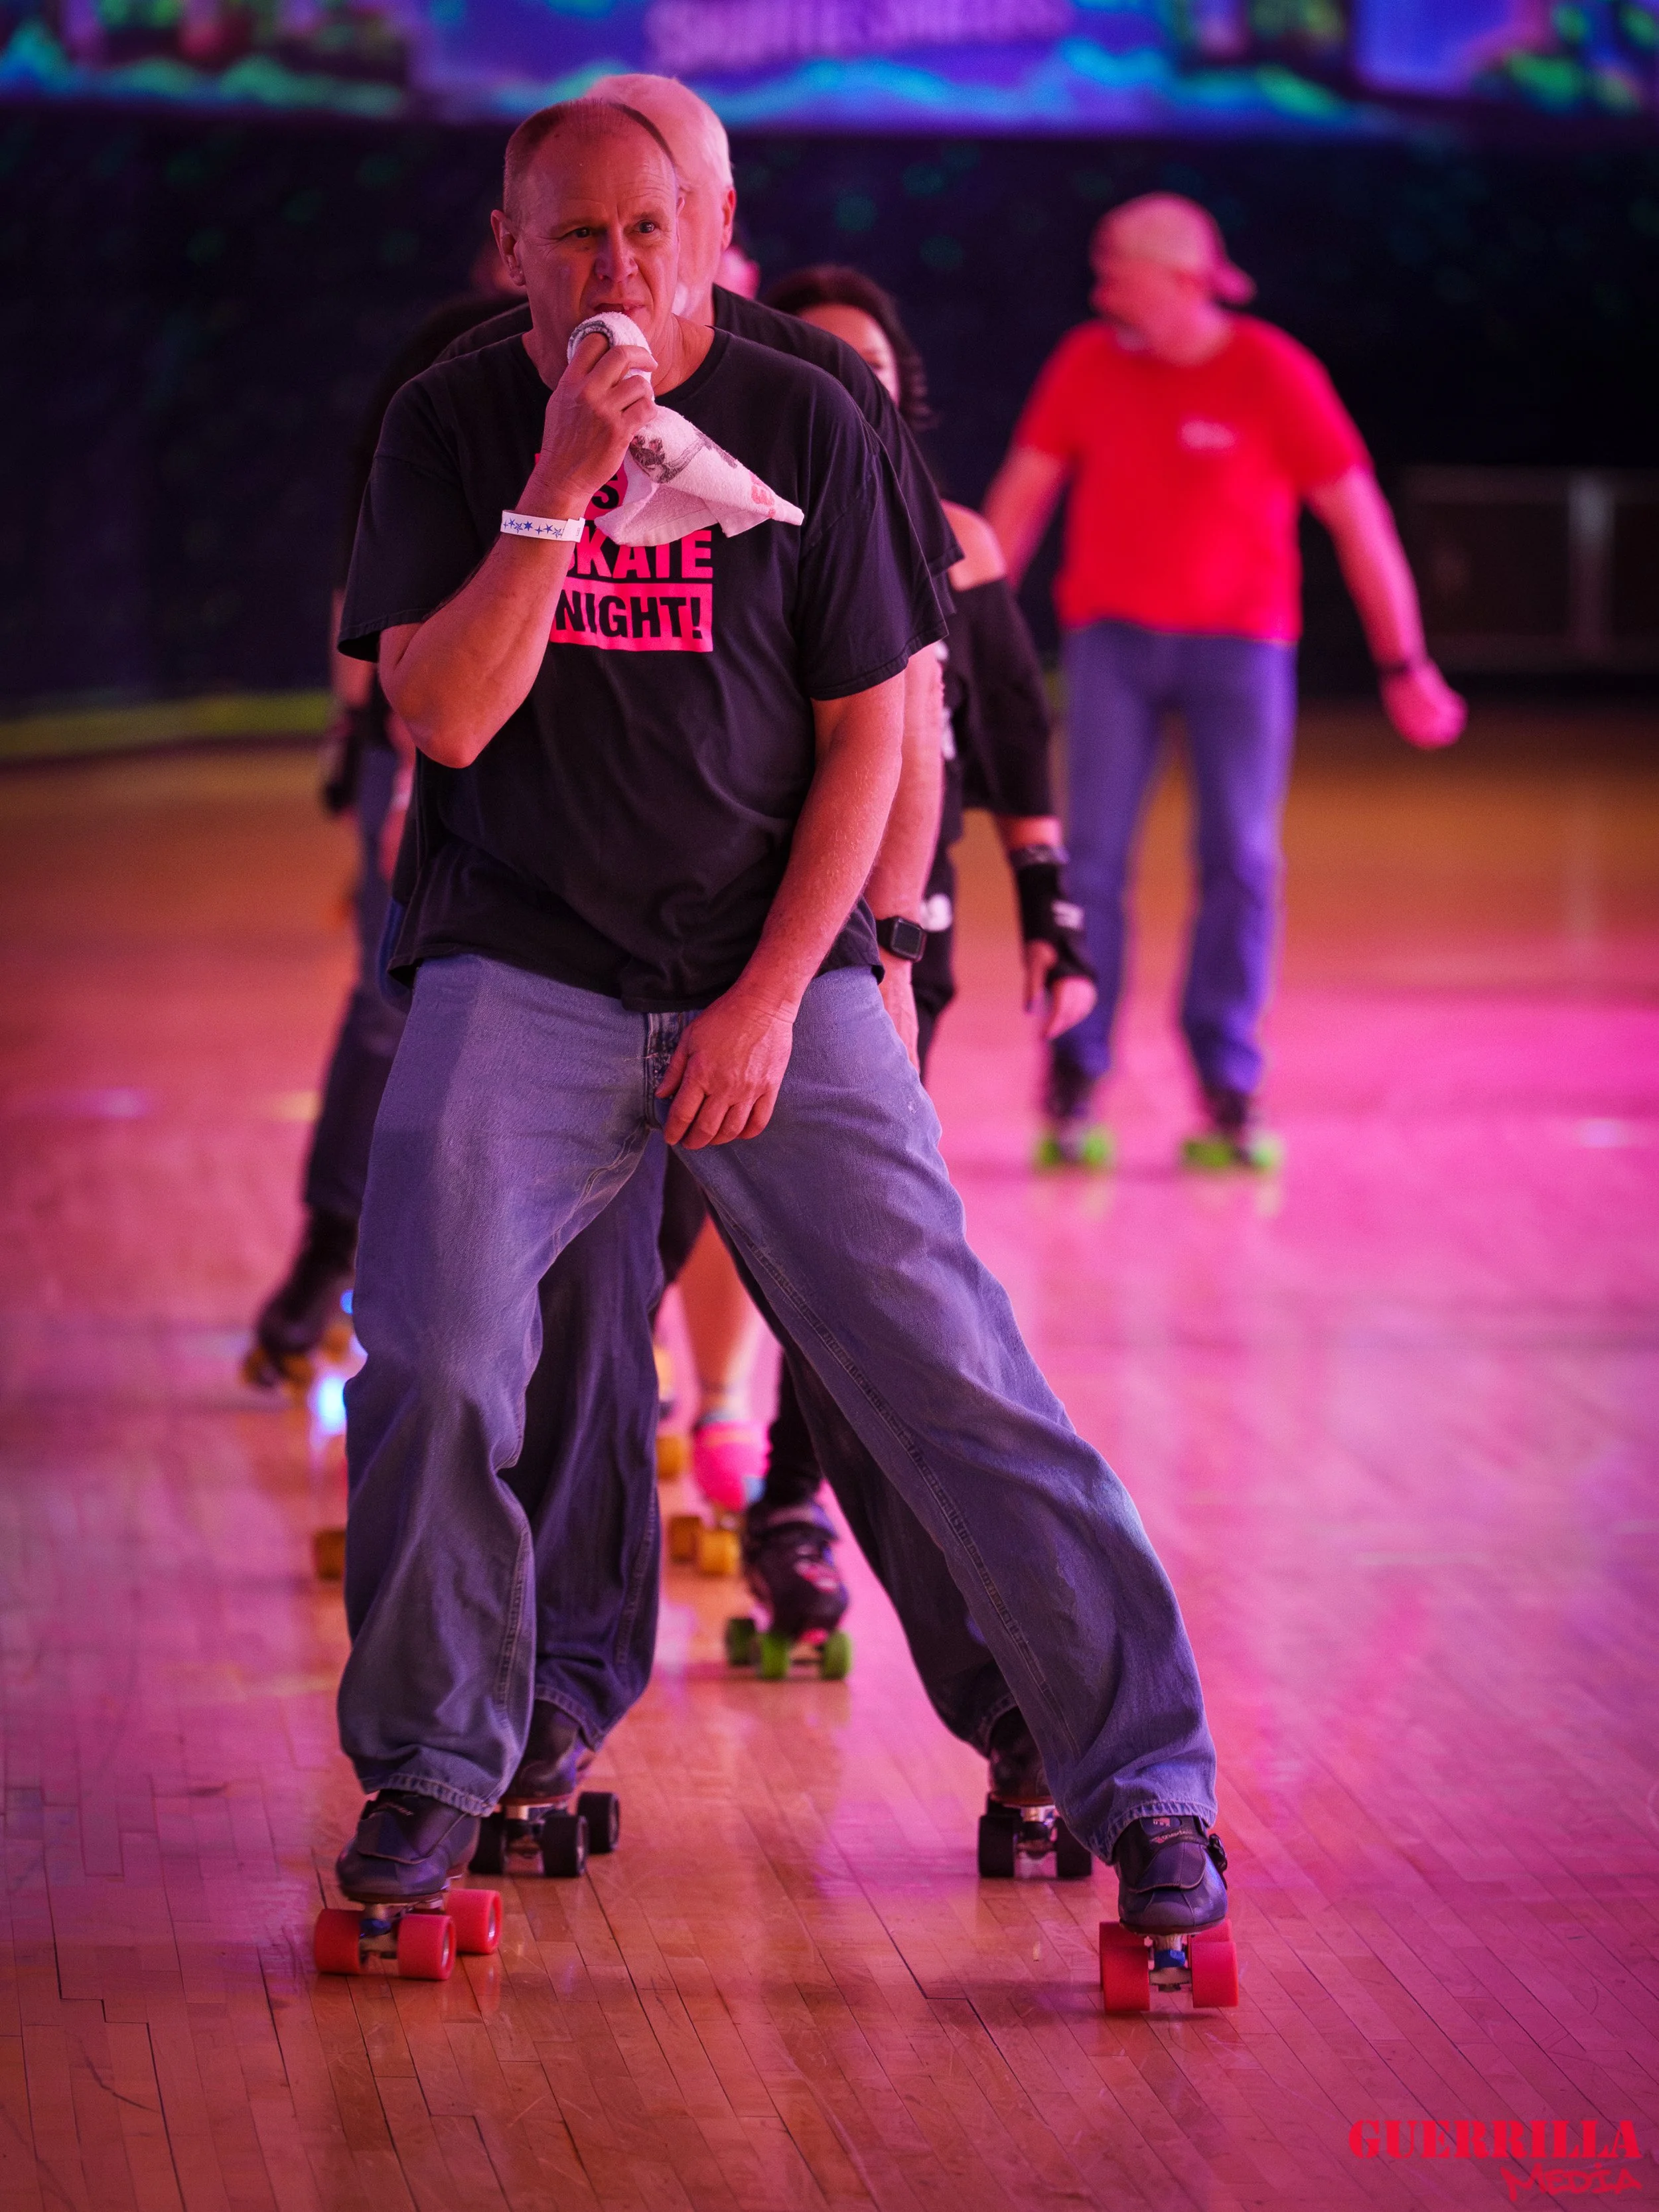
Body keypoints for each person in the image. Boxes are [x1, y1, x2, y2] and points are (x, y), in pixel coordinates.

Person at [330, 98, 1226, 1943]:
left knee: (946, 1371)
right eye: (570, 238)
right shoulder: (454, 420)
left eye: (646, 234)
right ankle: (438, 1756)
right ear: (510, 251)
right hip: (526, 967)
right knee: (425, 1357)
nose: (613, 272)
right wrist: (557, 491)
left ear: (714, 229)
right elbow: (446, 719)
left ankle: (1143, 1786)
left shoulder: (813, 413)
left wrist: (777, 995)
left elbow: (874, 732)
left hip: (774, 973)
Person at [743, 265, 1099, 1702]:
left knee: (851, 1253)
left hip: (890, 942)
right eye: (819, 367)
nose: (847, 392)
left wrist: (1051, 908)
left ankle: (786, 1496)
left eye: (868, 371)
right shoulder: (731, 530)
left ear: (899, 393)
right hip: (714, 931)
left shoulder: (952, 544)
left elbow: (1006, 722)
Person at [983, 192, 1466, 1171]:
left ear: (1181, 279)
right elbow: (1019, 504)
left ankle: (1228, 1078)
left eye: (1116, 266)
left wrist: (1404, 662)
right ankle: (1077, 1069)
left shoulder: (1271, 372)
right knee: (1094, 863)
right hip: (1114, 645)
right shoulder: (1087, 363)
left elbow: (1360, 521)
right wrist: (962, 630)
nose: (1100, 284)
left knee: (1242, 860)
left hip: (1240, 652)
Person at [243, 240, 522, 1387]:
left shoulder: (659, 383)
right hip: (420, 734)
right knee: (388, 1002)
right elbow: (372, 566)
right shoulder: (445, 364)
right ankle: (327, 1253)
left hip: (548, 747)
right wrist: (356, 729)